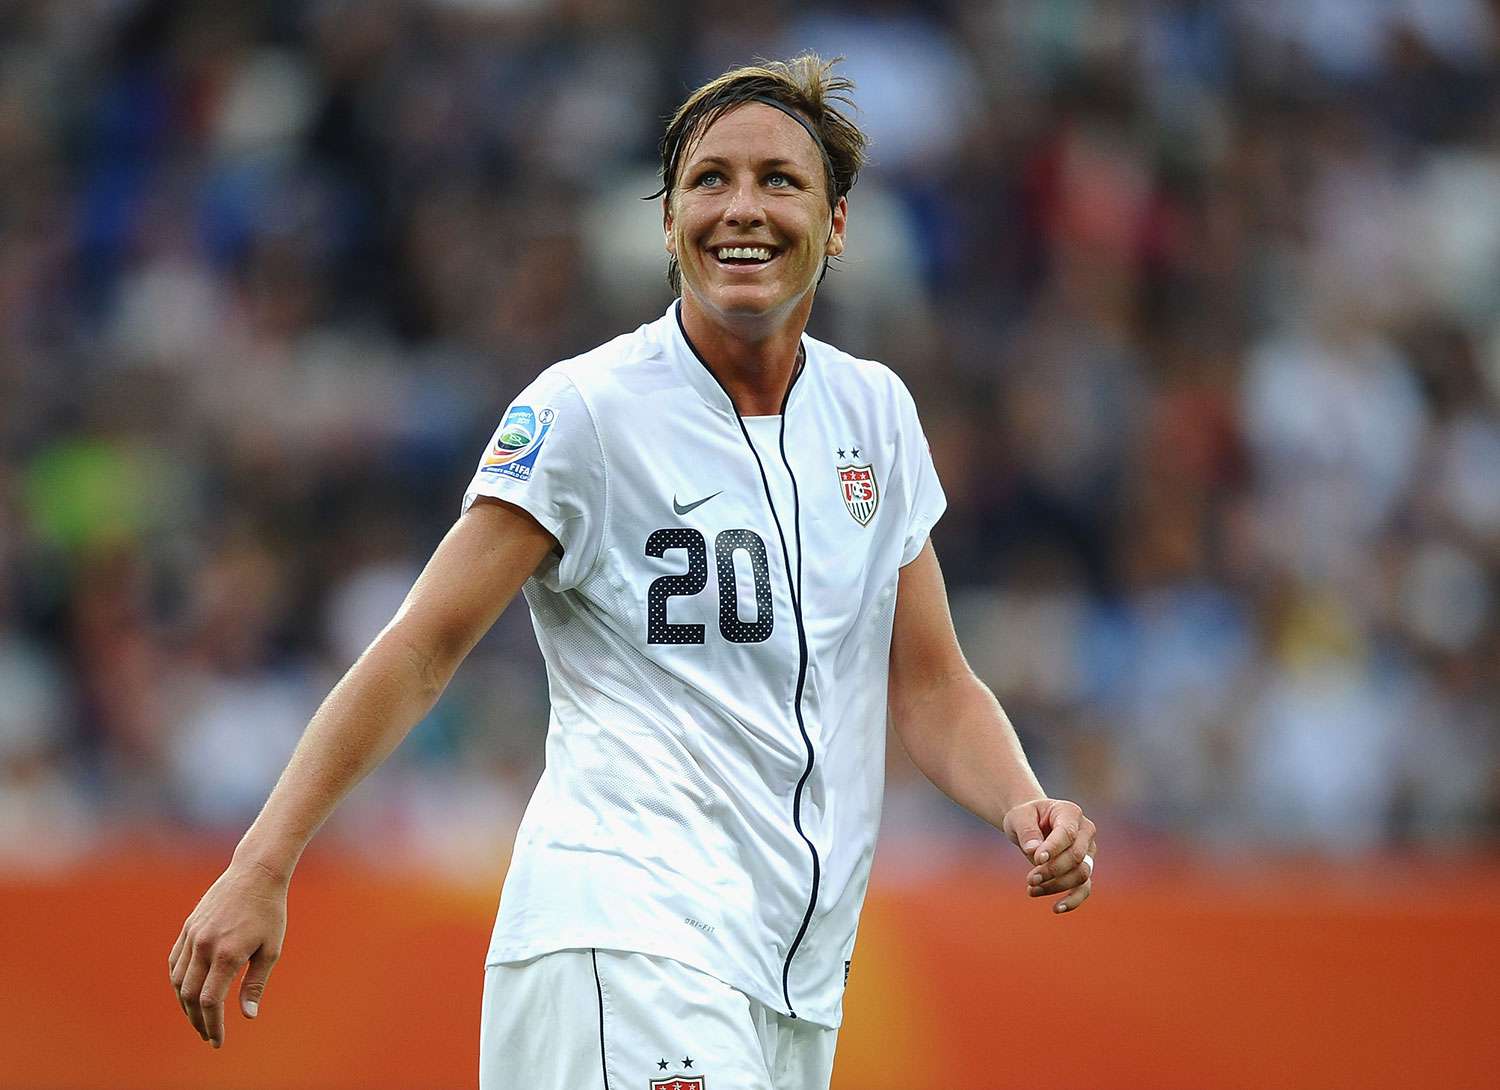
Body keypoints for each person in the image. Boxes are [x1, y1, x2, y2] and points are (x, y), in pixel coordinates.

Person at [168, 54, 1097, 1089]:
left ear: (836, 226)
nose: (741, 207)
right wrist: (262, 860)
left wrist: (1022, 801)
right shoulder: (587, 411)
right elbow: (423, 647)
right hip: (627, 937)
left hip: (790, 979)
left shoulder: (875, 415)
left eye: (780, 180)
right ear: (667, 223)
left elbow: (928, 682)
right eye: (710, 179)